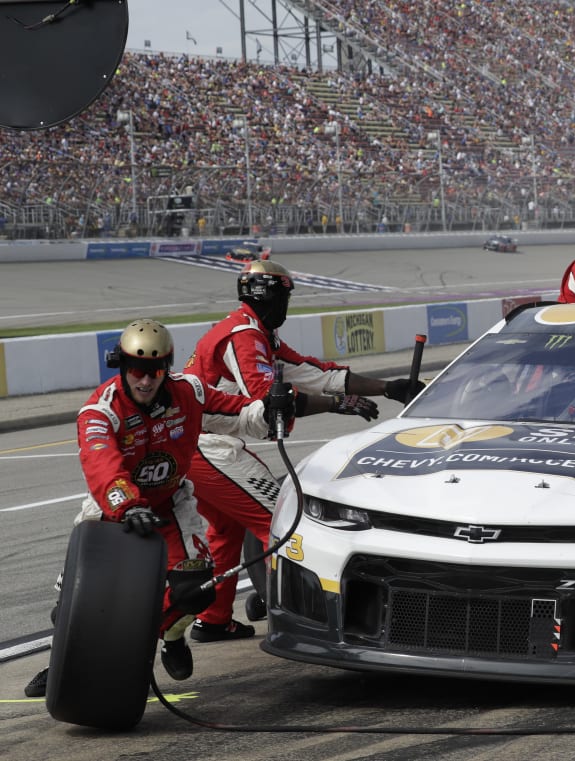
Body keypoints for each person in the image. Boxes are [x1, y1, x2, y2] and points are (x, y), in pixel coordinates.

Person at [24, 319, 295, 698]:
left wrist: (270, 408)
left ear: (167, 368)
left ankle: (170, 632)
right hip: (112, 511)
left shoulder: (191, 391)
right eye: (137, 370)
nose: (146, 380)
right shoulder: (99, 411)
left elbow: (240, 413)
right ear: (122, 366)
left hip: (172, 505)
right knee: (69, 607)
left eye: (155, 371)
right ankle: (61, 664)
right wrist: (127, 505)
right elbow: (100, 464)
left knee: (196, 591)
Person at [182, 259, 424, 641]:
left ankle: (213, 620)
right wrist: (338, 404)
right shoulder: (243, 336)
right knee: (283, 521)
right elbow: (269, 399)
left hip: (203, 446)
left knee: (225, 533)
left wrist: (388, 387)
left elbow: (315, 373)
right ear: (271, 294)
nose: (286, 306)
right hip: (210, 449)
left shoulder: (257, 333)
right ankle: (300, 617)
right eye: (284, 295)